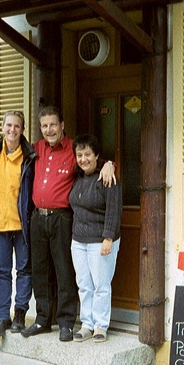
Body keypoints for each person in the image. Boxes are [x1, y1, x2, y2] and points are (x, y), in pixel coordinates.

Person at [21, 106, 115, 342]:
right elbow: (7, 149)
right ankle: (42, 319)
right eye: (44, 125)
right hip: (37, 217)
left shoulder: (74, 149)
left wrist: (109, 163)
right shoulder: (36, 148)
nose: (49, 129)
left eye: (53, 124)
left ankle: (65, 322)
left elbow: (92, 163)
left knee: (64, 271)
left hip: (62, 218)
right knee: (39, 271)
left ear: (62, 125)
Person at [0, 110, 36, 338]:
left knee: (24, 270)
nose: (12, 130)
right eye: (8, 126)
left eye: (17, 126)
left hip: (22, 225)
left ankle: (20, 314)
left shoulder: (30, 157)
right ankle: (2, 317)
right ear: (2, 128)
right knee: (1, 273)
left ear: (22, 130)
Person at [69, 134, 122, 343]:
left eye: (88, 154)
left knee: (101, 284)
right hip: (78, 240)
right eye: (80, 155)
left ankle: (101, 324)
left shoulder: (107, 178)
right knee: (84, 284)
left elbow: (114, 209)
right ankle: (87, 324)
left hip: (100, 240)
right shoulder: (77, 177)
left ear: (97, 155)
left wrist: (108, 237)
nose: (83, 159)